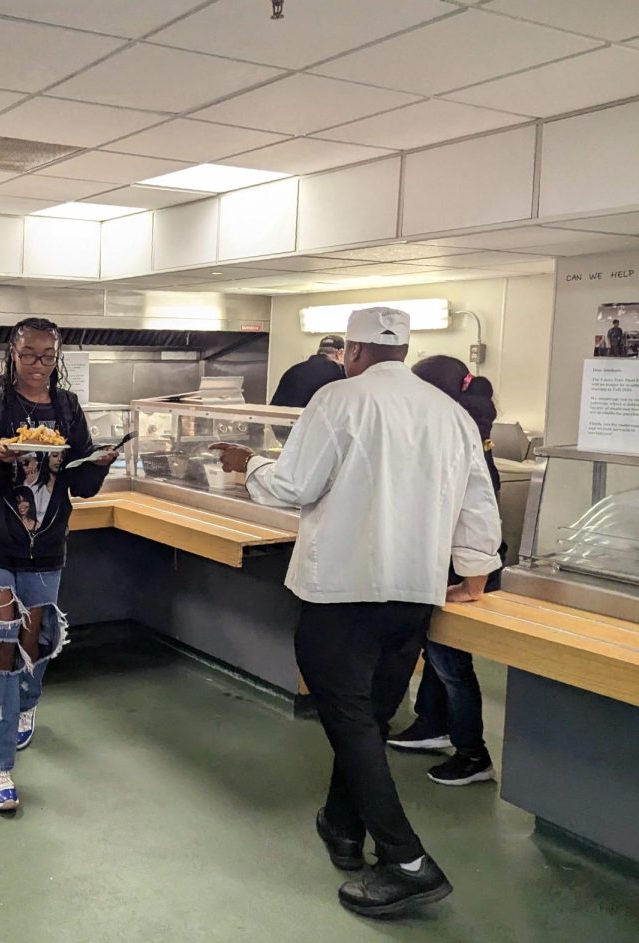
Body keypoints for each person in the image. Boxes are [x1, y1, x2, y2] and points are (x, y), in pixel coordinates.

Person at [210, 308, 501, 919]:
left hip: (340, 592)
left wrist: (248, 467)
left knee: (349, 723)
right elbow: (479, 500)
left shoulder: (338, 401)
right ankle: (341, 827)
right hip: (413, 594)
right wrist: (473, 574)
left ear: (353, 351)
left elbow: (293, 487)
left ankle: (406, 861)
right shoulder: (450, 415)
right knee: (369, 716)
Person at [0, 317, 118, 812]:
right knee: (1, 644)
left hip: (46, 546)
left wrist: (98, 467)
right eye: (29, 355)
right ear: (12, 353)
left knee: (35, 640)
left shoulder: (67, 408)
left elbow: (80, 486)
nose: (38, 365)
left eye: (48, 356)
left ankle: (25, 705)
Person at [388, 357, 504, 787]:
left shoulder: (457, 431)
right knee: (437, 654)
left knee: (452, 664)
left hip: (464, 566)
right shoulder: (463, 423)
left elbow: (475, 512)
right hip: (461, 561)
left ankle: (474, 754)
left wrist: (470, 581)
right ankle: (432, 725)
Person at [269, 335, 345, 407]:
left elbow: (275, 407)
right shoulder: (340, 373)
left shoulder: (292, 371)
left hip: (286, 419)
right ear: (340, 353)